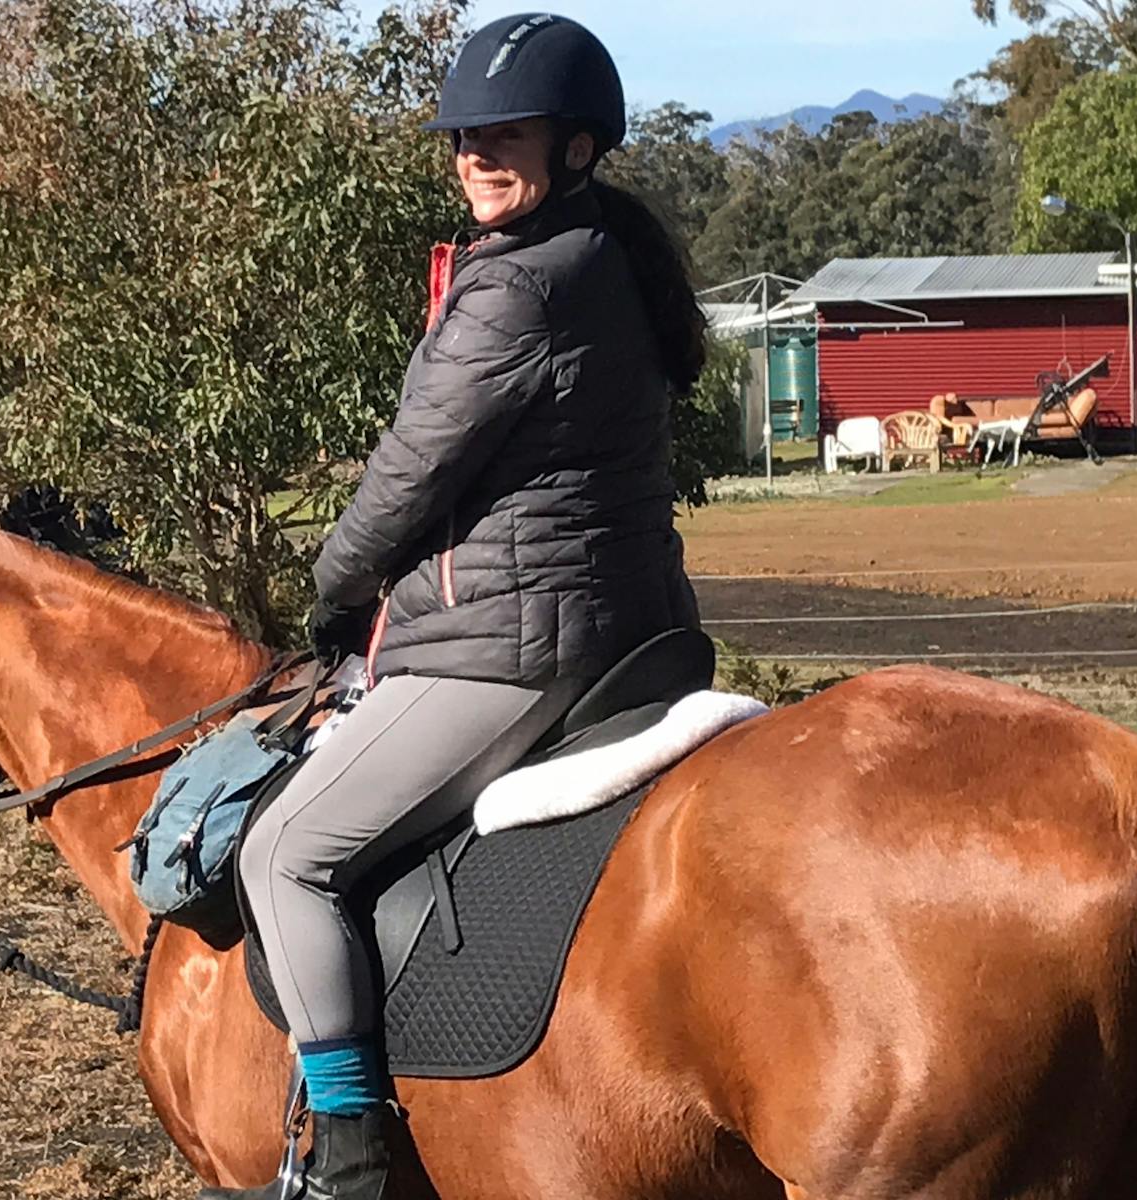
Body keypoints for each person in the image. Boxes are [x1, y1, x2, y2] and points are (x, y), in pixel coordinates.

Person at [201, 13, 706, 1199]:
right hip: (633, 630)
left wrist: (332, 592)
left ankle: (351, 1155)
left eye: (505, 133)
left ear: (578, 148)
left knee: (286, 851)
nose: (477, 152)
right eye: (464, 134)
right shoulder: (596, 257)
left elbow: (409, 472)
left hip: (516, 650)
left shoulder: (521, 286)